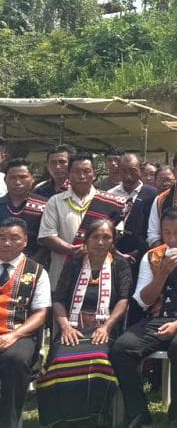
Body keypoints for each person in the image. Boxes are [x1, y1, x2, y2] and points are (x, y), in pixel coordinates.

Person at [111, 206, 177, 428]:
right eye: (167, 232)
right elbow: (143, 300)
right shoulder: (152, 256)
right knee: (121, 349)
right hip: (159, 317)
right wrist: (162, 274)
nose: (172, 238)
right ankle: (139, 411)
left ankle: (176, 412)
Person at [36, 219, 132, 426]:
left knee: (99, 361)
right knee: (59, 361)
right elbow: (58, 299)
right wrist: (65, 327)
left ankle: (95, 417)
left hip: (104, 328)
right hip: (72, 327)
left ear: (113, 241)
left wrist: (106, 327)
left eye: (106, 237)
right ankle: (61, 420)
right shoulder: (74, 264)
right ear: (86, 240)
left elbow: (124, 300)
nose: (100, 242)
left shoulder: (119, 265)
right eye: (95, 237)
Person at [39, 152, 126, 287]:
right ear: (68, 175)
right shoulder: (55, 201)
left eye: (86, 171)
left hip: (100, 278)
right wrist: (71, 249)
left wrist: (93, 248)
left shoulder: (111, 202)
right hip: (62, 274)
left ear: (94, 174)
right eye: (76, 172)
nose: (82, 176)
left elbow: (117, 235)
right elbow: (47, 236)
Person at [0, 217, 50, 426]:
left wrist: (14, 336)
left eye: (14, 238)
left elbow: (41, 313)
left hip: (19, 334)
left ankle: (9, 422)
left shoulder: (37, 272)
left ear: (25, 241)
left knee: (15, 360)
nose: (6, 243)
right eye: (2, 237)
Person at [109, 152, 158, 271]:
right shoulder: (110, 195)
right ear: (118, 171)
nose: (128, 176)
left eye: (133, 171)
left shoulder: (153, 195)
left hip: (144, 256)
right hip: (114, 256)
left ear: (140, 170)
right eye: (123, 171)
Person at [0, 159, 48, 261]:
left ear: (33, 178)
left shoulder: (45, 205)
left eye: (23, 177)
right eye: (12, 178)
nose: (17, 182)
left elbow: (48, 238)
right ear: (5, 180)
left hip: (35, 262)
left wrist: (32, 263)